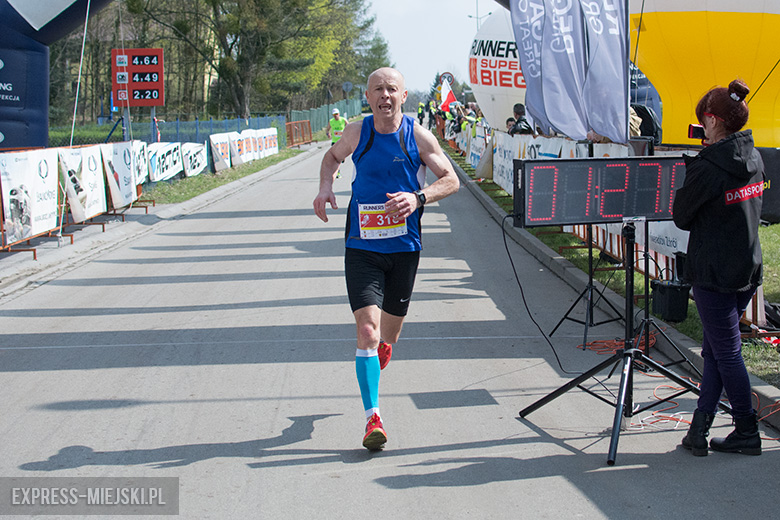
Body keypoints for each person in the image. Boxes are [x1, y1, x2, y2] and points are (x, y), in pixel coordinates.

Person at [313, 67, 459, 450]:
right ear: (368, 96)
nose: (385, 95)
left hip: (404, 249)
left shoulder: (418, 135)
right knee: (367, 332)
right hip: (362, 246)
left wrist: (419, 197)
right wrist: (325, 187)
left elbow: (452, 178)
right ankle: (372, 417)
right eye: (377, 89)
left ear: (403, 95)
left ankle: (375, 363)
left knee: (385, 340)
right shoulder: (357, 133)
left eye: (391, 88)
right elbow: (331, 159)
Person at [674, 79, 764, 457]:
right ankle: (699, 428)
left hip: (714, 272)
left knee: (726, 353)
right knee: (715, 351)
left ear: (711, 121)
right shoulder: (755, 156)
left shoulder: (708, 166)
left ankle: (746, 429)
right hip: (746, 266)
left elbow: (681, 216)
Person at [326, 108, 348, 178]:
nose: (335, 116)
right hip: (334, 142)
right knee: (336, 158)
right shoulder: (331, 121)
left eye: (336, 114)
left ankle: (343, 157)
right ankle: (337, 173)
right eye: (334, 115)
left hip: (342, 141)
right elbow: (327, 129)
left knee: (341, 157)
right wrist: (328, 134)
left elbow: (349, 127)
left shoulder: (343, 120)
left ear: (339, 114)